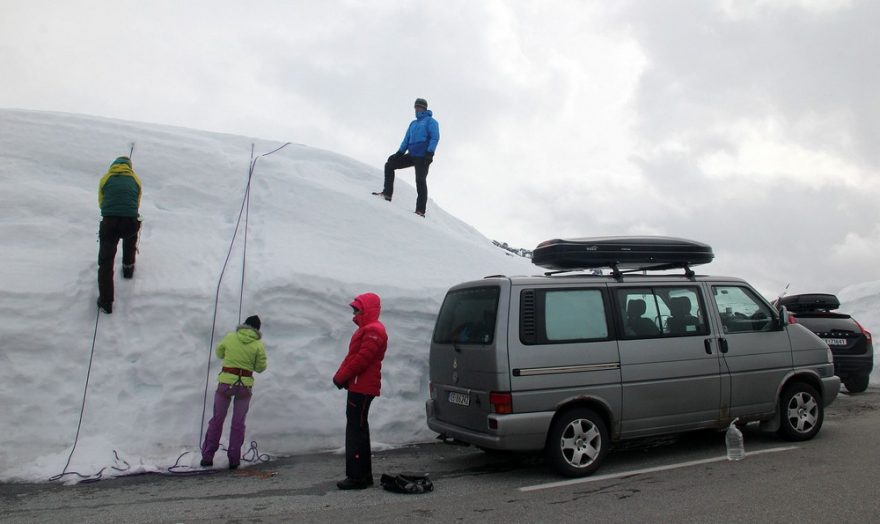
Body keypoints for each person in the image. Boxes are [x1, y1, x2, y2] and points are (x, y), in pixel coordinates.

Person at [332, 293, 388, 490]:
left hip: (363, 388)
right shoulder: (368, 329)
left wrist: (341, 377)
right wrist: (341, 376)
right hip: (358, 385)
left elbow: (361, 359)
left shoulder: (374, 330)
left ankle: (358, 477)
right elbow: (353, 356)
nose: (354, 313)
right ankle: (361, 475)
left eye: (357, 309)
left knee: (356, 430)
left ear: (368, 309)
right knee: (357, 428)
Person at [201, 315, 268, 470]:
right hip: (244, 386)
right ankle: (234, 459)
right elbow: (260, 368)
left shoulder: (231, 337)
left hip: (226, 383)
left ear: (244, 324)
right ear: (257, 330)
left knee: (217, 420)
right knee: (238, 424)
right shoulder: (258, 345)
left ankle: (207, 456)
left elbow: (219, 353)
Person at [373, 98, 440, 217]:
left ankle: (420, 211)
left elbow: (435, 137)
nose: (416, 109)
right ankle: (387, 194)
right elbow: (406, 139)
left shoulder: (431, 121)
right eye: (415, 107)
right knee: (389, 165)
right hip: (411, 154)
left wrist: (430, 153)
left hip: (423, 156)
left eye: (419, 107)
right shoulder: (413, 124)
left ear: (424, 108)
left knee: (420, 180)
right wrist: (399, 153)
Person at [96, 156, 142, 314]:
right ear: (129, 166)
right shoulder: (135, 179)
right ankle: (128, 268)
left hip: (109, 224)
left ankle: (106, 302)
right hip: (130, 222)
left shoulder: (106, 178)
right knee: (130, 238)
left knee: (106, 263)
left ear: (113, 165)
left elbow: (101, 201)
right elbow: (137, 202)